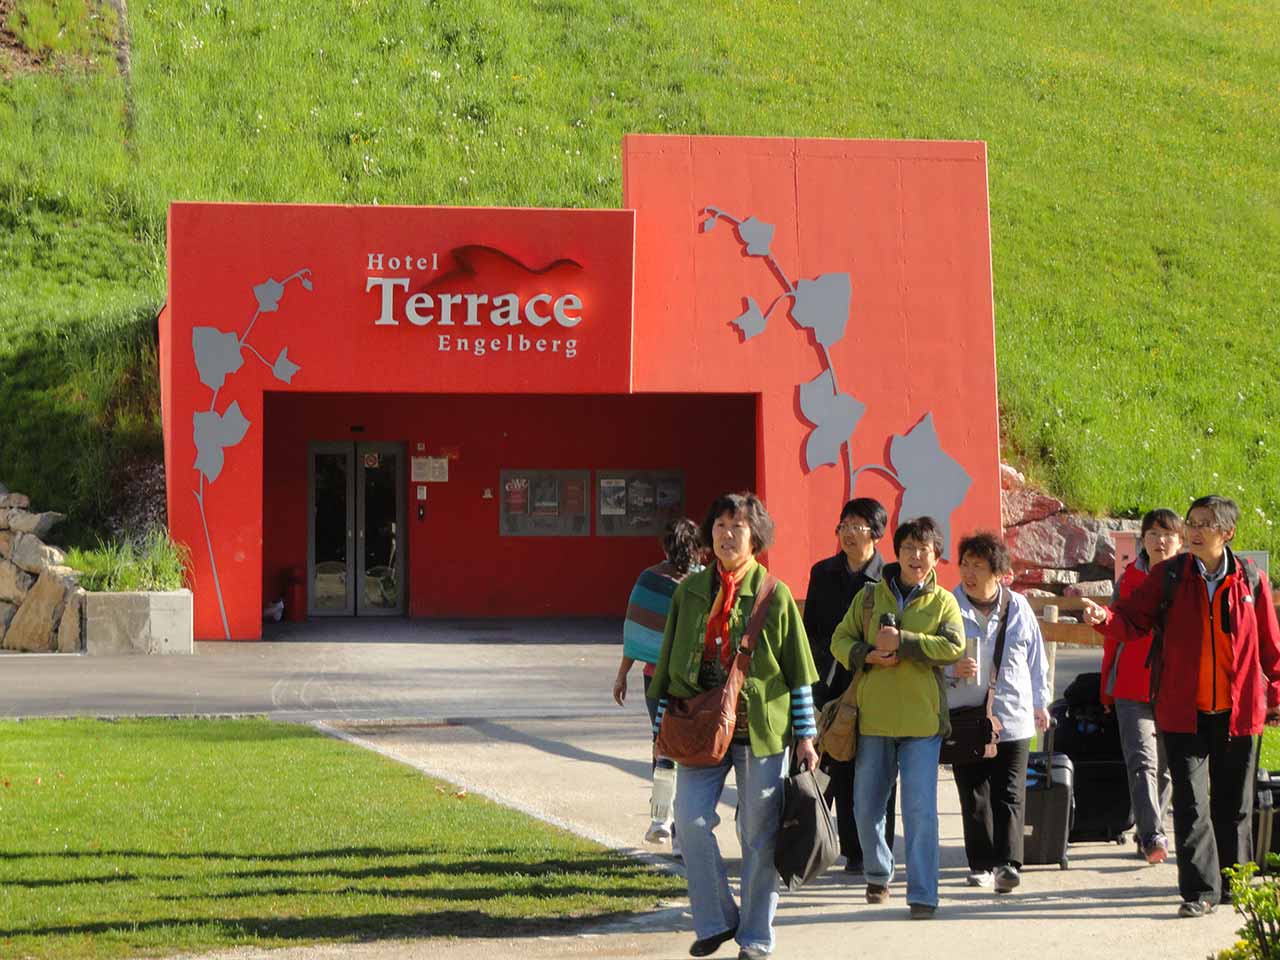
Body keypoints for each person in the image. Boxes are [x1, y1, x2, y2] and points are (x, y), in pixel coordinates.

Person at [1082, 495, 1280, 918]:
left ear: (1227, 533)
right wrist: (1103, 618)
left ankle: (1235, 885)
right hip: (1181, 711)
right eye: (1192, 521)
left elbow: (1270, 648)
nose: (1194, 529)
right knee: (1191, 804)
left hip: (1239, 713)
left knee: (1235, 803)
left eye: (1205, 523)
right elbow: (1131, 620)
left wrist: (1275, 694)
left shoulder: (1251, 580)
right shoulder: (1169, 575)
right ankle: (1199, 892)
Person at [649, 492, 819, 959]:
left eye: (738, 527)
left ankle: (756, 938)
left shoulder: (775, 594)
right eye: (721, 525)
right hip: (700, 727)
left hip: (760, 731)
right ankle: (717, 920)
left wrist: (805, 736)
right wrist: (660, 733)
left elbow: (799, 674)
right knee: (690, 820)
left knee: (758, 835)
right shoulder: (689, 592)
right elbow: (666, 665)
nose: (727, 535)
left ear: (755, 537)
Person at [830, 516, 964, 920]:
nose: (916, 556)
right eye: (909, 548)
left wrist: (905, 642)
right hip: (873, 720)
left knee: (920, 810)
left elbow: (954, 646)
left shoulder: (944, 602)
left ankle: (923, 894)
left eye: (925, 550)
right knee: (866, 807)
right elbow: (840, 638)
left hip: (922, 725)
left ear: (936, 558)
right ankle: (878, 871)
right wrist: (866, 654)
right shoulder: (870, 598)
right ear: (898, 552)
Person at [945, 532, 1050, 894]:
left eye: (979, 566)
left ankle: (1008, 864)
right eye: (965, 565)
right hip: (967, 714)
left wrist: (1041, 703)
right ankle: (980, 864)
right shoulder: (947, 606)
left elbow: (1036, 660)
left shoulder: (1019, 607)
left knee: (1009, 792)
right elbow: (928, 659)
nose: (969, 573)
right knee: (974, 792)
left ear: (999, 572)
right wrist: (950, 669)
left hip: (1015, 715)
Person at [802, 497, 896, 874]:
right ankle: (844, 848)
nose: (849, 532)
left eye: (857, 525)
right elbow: (810, 632)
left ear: (875, 532)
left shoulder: (889, 576)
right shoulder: (822, 573)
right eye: (844, 524)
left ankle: (874, 851)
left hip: (876, 685)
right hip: (832, 685)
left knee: (875, 769)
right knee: (836, 765)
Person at [1096, 508, 1182, 865]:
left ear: (1179, 541)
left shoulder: (1189, 580)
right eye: (1152, 534)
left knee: (1167, 767)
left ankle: (1150, 827)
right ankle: (1152, 834)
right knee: (1141, 762)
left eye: (1167, 534)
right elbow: (1115, 636)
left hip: (1175, 687)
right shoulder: (1129, 578)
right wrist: (1106, 684)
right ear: (1143, 540)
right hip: (1131, 685)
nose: (1159, 541)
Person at [613, 517, 703, 845]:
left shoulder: (649, 579)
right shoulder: (705, 583)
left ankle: (660, 819)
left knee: (663, 746)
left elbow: (636, 631)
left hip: (655, 681)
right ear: (699, 548)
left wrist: (622, 674)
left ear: (665, 545)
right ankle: (682, 833)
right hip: (696, 683)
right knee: (691, 753)